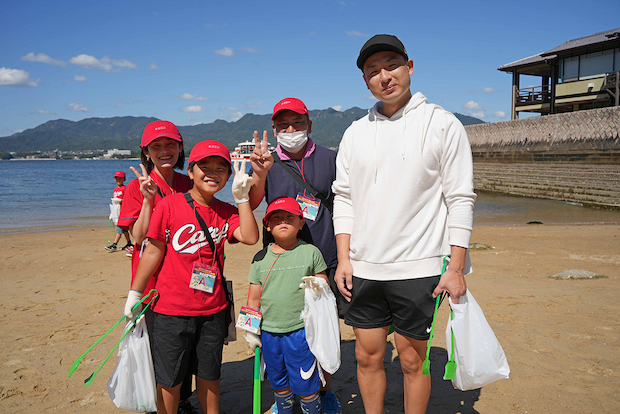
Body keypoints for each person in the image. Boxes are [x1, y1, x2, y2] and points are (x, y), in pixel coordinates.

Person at [331, 34, 477, 414]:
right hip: (364, 266)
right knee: (366, 357)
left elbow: (459, 198)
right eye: (373, 71)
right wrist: (344, 258)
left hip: (420, 267)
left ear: (409, 67)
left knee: (413, 362)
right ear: (366, 81)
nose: (384, 76)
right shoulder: (354, 133)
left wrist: (456, 267)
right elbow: (343, 197)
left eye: (391, 65)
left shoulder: (443, 124)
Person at [124, 140, 259, 414]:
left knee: (210, 374)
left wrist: (243, 200)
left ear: (229, 175)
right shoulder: (170, 205)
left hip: (214, 309)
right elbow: (152, 252)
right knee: (170, 379)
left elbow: (250, 236)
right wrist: (135, 294)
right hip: (171, 309)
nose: (212, 173)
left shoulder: (225, 211)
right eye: (204, 167)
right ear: (191, 169)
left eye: (221, 168)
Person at [248, 98, 341, 414]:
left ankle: (324, 391)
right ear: (274, 130)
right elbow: (253, 200)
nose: (291, 130)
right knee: (284, 326)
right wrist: (259, 172)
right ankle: (284, 395)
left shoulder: (330, 158)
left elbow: (347, 204)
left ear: (309, 125)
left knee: (322, 329)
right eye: (283, 126)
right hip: (281, 260)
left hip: (324, 257)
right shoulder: (268, 161)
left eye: (297, 124)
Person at [117, 120, 196, 413]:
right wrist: (148, 201)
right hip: (153, 279)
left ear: (180, 148)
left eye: (170, 145)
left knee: (185, 342)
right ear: (146, 152)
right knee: (159, 344)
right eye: (156, 146)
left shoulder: (188, 182)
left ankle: (183, 398)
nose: (164, 151)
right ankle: (156, 403)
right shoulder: (137, 187)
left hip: (185, 275)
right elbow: (137, 238)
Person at [245, 197, 327, 414]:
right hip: (270, 333)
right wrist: (250, 329)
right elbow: (253, 298)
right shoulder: (259, 258)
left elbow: (324, 283)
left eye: (289, 217)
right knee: (279, 383)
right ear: (267, 225)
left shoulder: (311, 252)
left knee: (306, 382)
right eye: (276, 218)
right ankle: (284, 409)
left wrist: (317, 284)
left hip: (301, 331)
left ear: (301, 223)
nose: (283, 221)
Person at [105, 170, 133, 253]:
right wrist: (112, 213)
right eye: (117, 178)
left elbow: (128, 200)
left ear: (124, 179)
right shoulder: (115, 189)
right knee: (123, 229)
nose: (118, 180)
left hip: (122, 211)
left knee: (119, 228)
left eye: (120, 178)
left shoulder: (125, 189)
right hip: (116, 211)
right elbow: (114, 201)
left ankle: (114, 244)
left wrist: (121, 200)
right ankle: (129, 243)